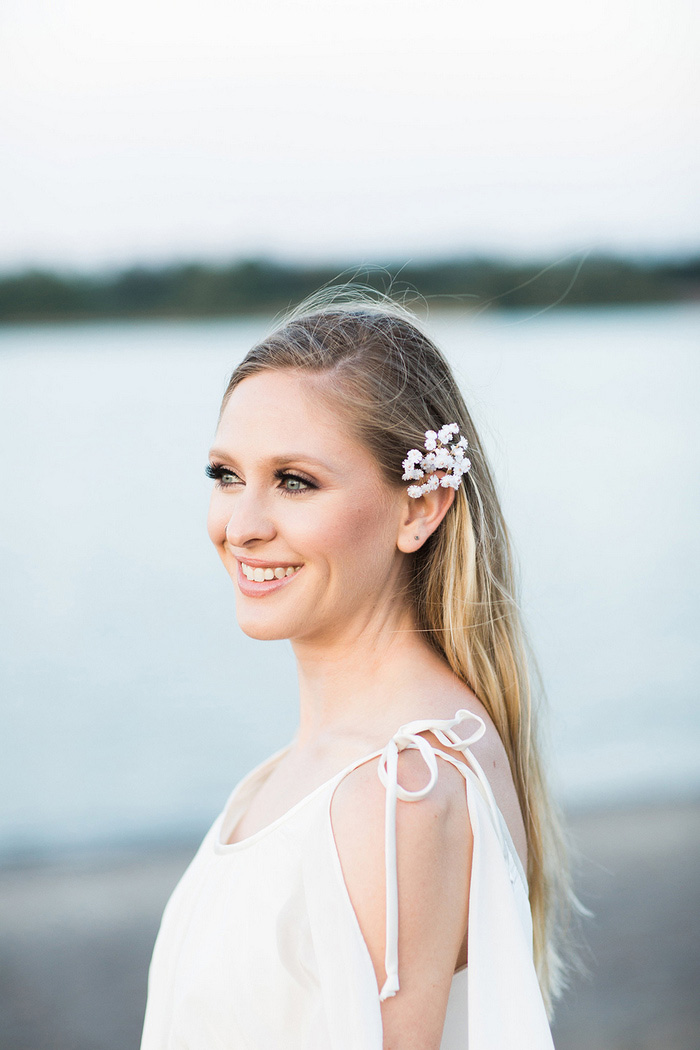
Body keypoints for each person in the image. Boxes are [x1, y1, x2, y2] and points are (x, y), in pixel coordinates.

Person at [140, 289, 573, 1049]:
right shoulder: (350, 763)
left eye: (296, 481)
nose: (242, 527)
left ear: (420, 508)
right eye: (225, 475)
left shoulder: (396, 792)